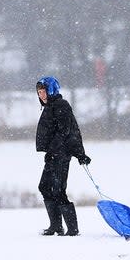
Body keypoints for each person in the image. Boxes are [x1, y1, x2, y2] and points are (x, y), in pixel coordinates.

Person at [35, 76, 91, 236]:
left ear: (51, 90)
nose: (41, 95)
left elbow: (69, 131)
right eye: (39, 92)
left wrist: (80, 154)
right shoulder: (50, 107)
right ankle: (56, 226)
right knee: (45, 187)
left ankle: (73, 229)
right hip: (52, 156)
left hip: (61, 155)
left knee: (58, 191)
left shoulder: (61, 105)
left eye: (43, 91)